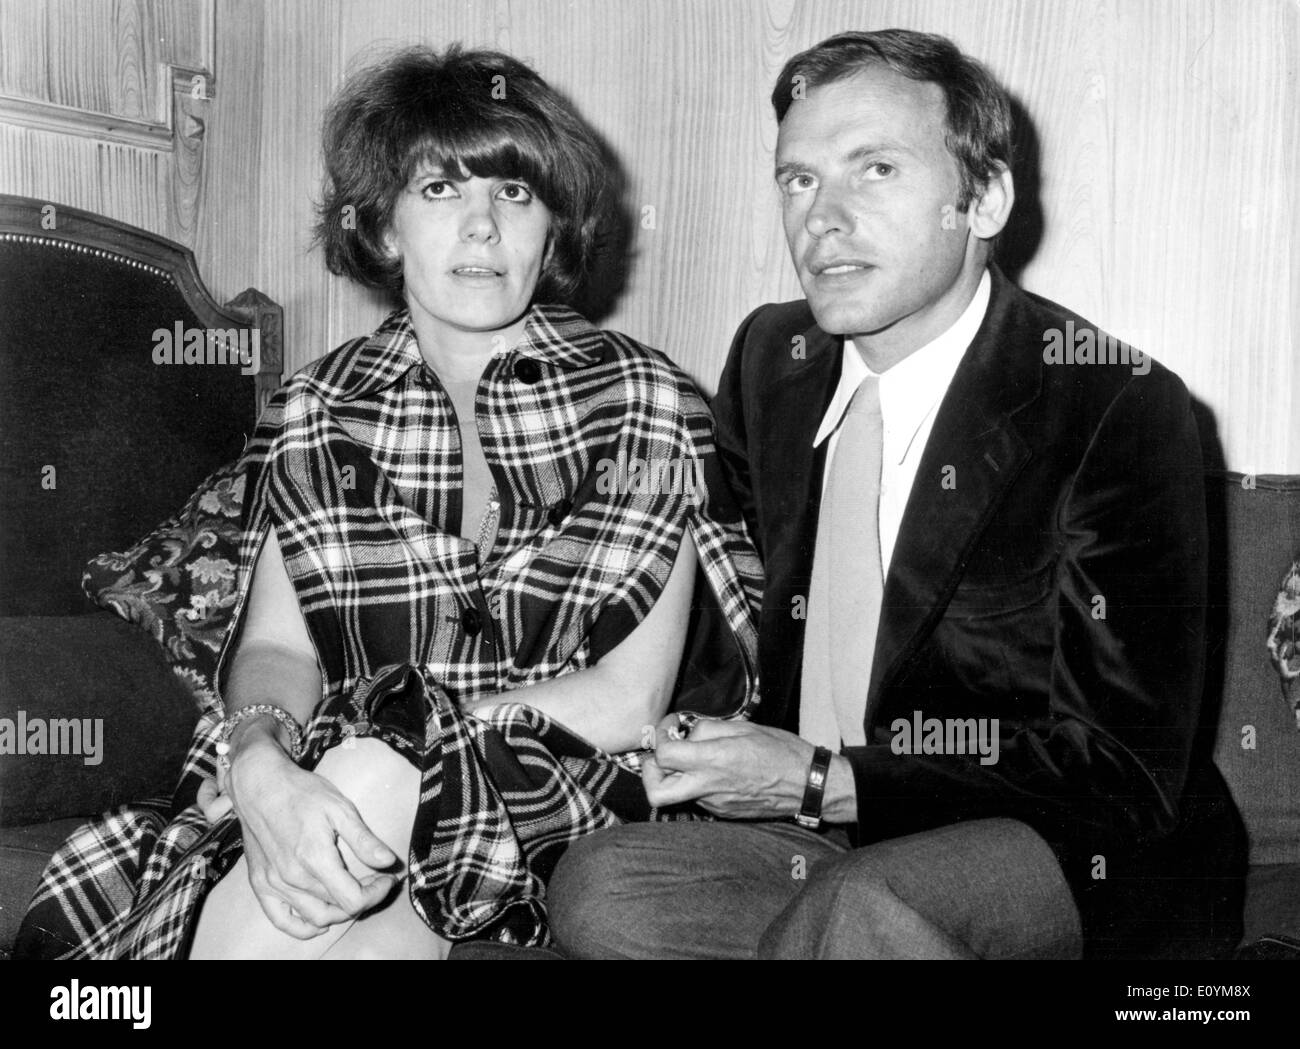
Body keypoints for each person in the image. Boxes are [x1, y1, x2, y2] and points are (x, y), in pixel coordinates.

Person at [16, 44, 760, 960]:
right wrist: (259, 762)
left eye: (514, 194)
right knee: (362, 908)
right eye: (442, 190)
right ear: (383, 225)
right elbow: (279, 650)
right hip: (358, 783)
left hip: (569, 786)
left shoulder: (648, 400)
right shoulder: (318, 408)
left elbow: (625, 698)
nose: (482, 228)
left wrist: (402, 739)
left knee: (362, 784)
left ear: (553, 226)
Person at [548, 28, 1243, 959]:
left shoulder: (1116, 404)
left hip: (1068, 844)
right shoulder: (772, 360)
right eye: (797, 180)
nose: (822, 217)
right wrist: (703, 738)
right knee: (601, 887)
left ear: (983, 198)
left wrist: (830, 781)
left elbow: (1123, 768)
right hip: (821, 846)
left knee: (864, 907)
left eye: (874, 169)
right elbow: (729, 602)